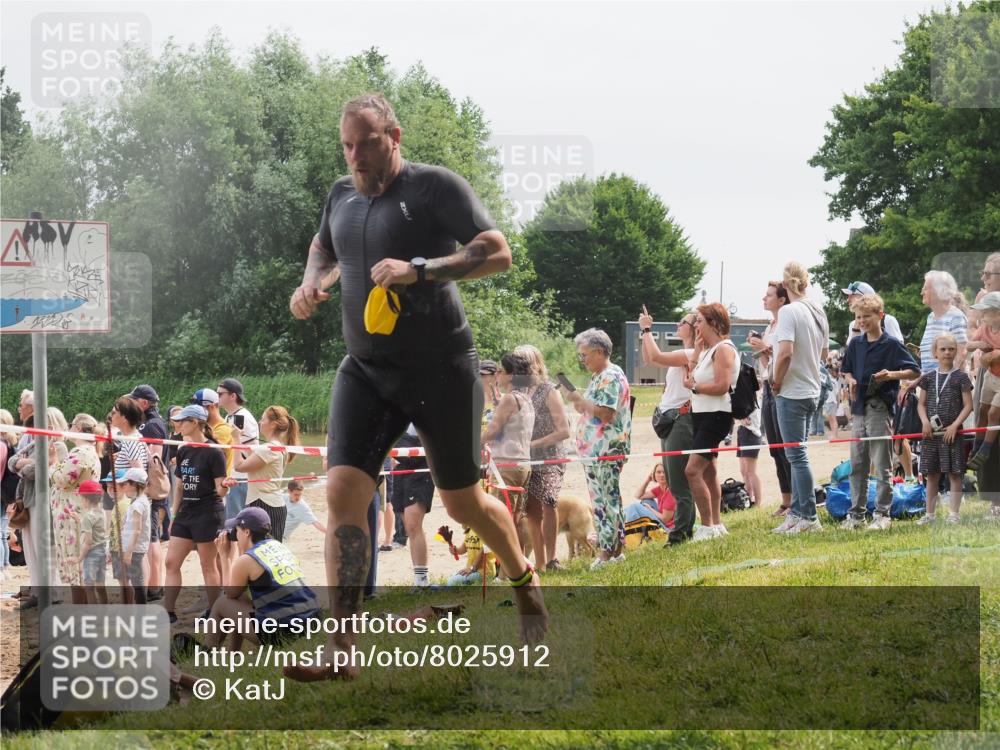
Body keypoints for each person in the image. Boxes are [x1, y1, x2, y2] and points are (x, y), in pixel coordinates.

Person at [286, 93, 545, 679]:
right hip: (366, 371)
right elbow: (322, 245)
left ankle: (524, 580)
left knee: (461, 501)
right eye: (347, 146)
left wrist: (421, 268)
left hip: (442, 369)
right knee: (343, 491)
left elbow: (497, 252)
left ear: (394, 136)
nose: (356, 157)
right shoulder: (340, 194)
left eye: (367, 144)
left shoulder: (433, 188)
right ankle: (342, 652)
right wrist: (311, 283)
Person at [839, 294, 920, 531]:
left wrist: (891, 375)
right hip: (858, 409)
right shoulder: (855, 343)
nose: (862, 321)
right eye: (858, 317)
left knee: (882, 462)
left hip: (880, 407)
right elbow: (847, 371)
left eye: (866, 316)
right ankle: (856, 516)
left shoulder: (892, 344)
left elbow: (914, 371)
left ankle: (882, 514)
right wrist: (851, 380)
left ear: (880, 316)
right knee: (857, 464)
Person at [205, 507, 320, 651]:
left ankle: (207, 653)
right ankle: (232, 652)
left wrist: (224, 556)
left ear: (247, 532)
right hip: (311, 622)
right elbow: (238, 595)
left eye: (237, 530)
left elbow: (230, 593)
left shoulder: (247, 560)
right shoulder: (278, 546)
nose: (235, 534)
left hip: (284, 633)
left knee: (221, 603)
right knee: (240, 599)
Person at [562, 328, 632, 569]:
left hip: (606, 450)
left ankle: (609, 552)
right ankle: (612, 551)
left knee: (606, 501)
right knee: (601, 500)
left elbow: (606, 413)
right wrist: (580, 401)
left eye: (585, 355)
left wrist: (580, 401)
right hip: (595, 452)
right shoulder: (599, 376)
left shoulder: (610, 376)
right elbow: (592, 410)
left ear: (600, 352)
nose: (582, 360)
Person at [771, 262, 829, 535]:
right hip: (812, 388)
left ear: (786, 284)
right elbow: (825, 355)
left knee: (796, 455)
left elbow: (785, 352)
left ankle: (808, 515)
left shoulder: (789, 312)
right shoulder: (818, 310)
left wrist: (777, 381)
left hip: (792, 390)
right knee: (796, 454)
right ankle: (796, 512)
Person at [164, 404, 229, 624]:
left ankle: (214, 611)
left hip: (208, 512)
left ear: (194, 422)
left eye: (181, 421)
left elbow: (220, 489)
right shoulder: (183, 449)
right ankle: (168, 612)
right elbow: (180, 487)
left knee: (207, 565)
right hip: (186, 513)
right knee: (171, 562)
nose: (177, 424)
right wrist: (174, 517)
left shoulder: (214, 451)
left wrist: (226, 486)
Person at [637, 308, 697, 545]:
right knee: (673, 480)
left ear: (693, 328)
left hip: (681, 420)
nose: (677, 324)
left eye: (683, 322)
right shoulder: (682, 352)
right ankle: (683, 530)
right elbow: (648, 357)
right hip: (670, 418)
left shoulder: (691, 353)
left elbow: (655, 357)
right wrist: (645, 334)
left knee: (679, 482)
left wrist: (647, 329)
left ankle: (681, 534)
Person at [683, 304, 740, 541]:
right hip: (701, 414)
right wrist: (696, 353)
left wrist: (695, 387)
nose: (695, 325)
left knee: (692, 470)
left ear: (714, 323)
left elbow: (721, 386)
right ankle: (716, 524)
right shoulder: (708, 350)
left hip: (716, 415)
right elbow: (690, 376)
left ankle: (706, 526)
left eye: (699, 321)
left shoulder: (724, 349)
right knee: (709, 472)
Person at [514, 344, 570, 571]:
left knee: (549, 501)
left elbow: (564, 430)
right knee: (530, 510)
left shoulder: (549, 391)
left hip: (550, 457)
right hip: (525, 460)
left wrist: (533, 444)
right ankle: (535, 561)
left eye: (521, 364)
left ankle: (552, 558)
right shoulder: (516, 393)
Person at [482, 353, 536, 562]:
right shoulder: (525, 398)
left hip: (506, 465)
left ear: (512, 375)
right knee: (515, 520)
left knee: (501, 521)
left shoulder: (510, 399)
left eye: (501, 371)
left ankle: (508, 570)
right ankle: (518, 565)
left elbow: (492, 431)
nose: (497, 375)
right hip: (522, 464)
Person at [916, 334, 974, 524]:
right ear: (935, 353)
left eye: (951, 349)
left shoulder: (961, 377)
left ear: (956, 351)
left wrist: (955, 426)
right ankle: (929, 515)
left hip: (952, 435)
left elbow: (968, 405)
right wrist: (925, 422)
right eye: (943, 349)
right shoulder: (928, 378)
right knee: (931, 475)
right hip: (931, 435)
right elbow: (921, 404)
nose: (947, 352)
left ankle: (953, 514)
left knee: (955, 474)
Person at [747, 282, 793, 516]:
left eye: (769, 295)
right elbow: (767, 362)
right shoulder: (770, 326)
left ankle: (794, 501)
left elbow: (786, 356)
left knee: (787, 448)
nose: (764, 299)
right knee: (775, 447)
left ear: (782, 300)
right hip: (768, 385)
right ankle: (785, 501)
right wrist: (761, 349)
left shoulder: (786, 324)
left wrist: (765, 347)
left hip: (782, 387)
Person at [49, 413, 102, 600]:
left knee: (78, 572)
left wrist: (53, 462)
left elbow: (62, 480)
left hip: (74, 518)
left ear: (78, 428)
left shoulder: (82, 453)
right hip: (76, 515)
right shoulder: (88, 452)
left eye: (71, 425)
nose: (68, 428)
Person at [228, 405, 300, 542]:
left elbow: (239, 466)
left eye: (263, 419)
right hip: (273, 504)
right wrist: (243, 440)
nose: (260, 422)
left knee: (258, 551)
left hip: (262, 504)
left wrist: (236, 440)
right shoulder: (278, 447)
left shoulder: (268, 449)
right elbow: (254, 460)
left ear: (273, 424)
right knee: (271, 550)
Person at [129, 386, 168, 603]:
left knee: (152, 537)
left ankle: (155, 587)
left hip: (150, 488)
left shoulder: (152, 425)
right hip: (146, 488)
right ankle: (154, 586)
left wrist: (143, 488)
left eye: (134, 400)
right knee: (151, 536)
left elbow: (155, 461)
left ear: (144, 403)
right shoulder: (147, 423)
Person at [967, 292, 1000, 473]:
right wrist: (980, 345)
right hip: (991, 376)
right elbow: (968, 345)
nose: (982, 316)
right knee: (982, 412)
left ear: (998, 314)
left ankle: (985, 449)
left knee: (995, 412)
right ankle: (977, 446)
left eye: (985, 312)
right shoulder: (985, 328)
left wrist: (995, 353)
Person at [218, 378, 260, 520]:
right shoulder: (229, 416)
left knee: (235, 523)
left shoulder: (244, 417)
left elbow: (253, 452)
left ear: (232, 396)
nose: (217, 397)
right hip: (232, 476)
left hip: (240, 478)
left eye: (220, 394)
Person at [112, 467, 151, 604]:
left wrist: (128, 552)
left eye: (125, 484)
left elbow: (137, 529)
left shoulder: (138, 504)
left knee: (137, 582)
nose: (124, 487)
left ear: (134, 485)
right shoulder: (140, 501)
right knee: (136, 582)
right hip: (135, 548)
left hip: (134, 549)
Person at [76, 480, 108, 604]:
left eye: (81, 498)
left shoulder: (88, 517)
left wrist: (79, 558)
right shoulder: (101, 512)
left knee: (89, 587)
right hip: (102, 551)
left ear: (86, 499)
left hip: (91, 554)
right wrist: (80, 520)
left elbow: (88, 542)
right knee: (101, 586)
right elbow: (95, 528)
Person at [191, 389, 236, 477]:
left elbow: (201, 453)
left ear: (212, 407)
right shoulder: (203, 427)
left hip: (216, 485)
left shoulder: (223, 429)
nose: (195, 413)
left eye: (198, 409)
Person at [628, 462, 676, 529]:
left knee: (634, 506)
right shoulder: (659, 489)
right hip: (660, 524)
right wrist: (648, 480)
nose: (662, 475)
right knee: (646, 500)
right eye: (658, 472)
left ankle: (634, 531)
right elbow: (638, 496)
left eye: (664, 472)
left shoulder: (670, 491)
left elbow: (665, 519)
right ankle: (638, 530)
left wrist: (650, 509)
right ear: (654, 475)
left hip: (666, 530)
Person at [0, 409, 19, 573]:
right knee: (2, 532)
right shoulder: (9, 444)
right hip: (6, 494)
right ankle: (4, 565)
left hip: (3, 494)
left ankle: (2, 566)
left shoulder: (1, 445)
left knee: (0, 533)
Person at [736, 407, 763, 507]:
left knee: (750, 472)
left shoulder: (752, 397)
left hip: (751, 432)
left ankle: (758, 502)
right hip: (742, 431)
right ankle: (749, 499)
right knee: (744, 471)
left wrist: (742, 416)